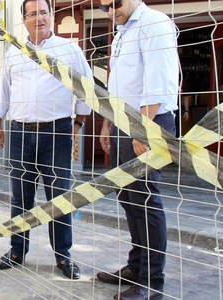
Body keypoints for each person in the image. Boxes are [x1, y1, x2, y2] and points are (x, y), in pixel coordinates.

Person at [0, 0, 92, 280]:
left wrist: (78, 123)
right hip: (21, 132)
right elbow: (2, 90)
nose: (39, 18)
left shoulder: (69, 50)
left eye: (44, 13)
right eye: (33, 14)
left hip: (57, 131)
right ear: (24, 20)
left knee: (59, 198)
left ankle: (63, 257)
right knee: (20, 196)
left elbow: (87, 87)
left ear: (52, 16)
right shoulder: (15, 52)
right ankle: (17, 251)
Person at [97, 0, 178, 299]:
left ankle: (151, 283)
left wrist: (141, 128)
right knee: (127, 196)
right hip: (124, 120)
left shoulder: (154, 23)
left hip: (149, 119)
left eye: (115, 3)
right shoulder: (121, 30)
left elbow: (157, 81)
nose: (110, 10)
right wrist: (108, 123)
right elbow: (118, 85)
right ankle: (137, 266)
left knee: (145, 199)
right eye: (104, 7)